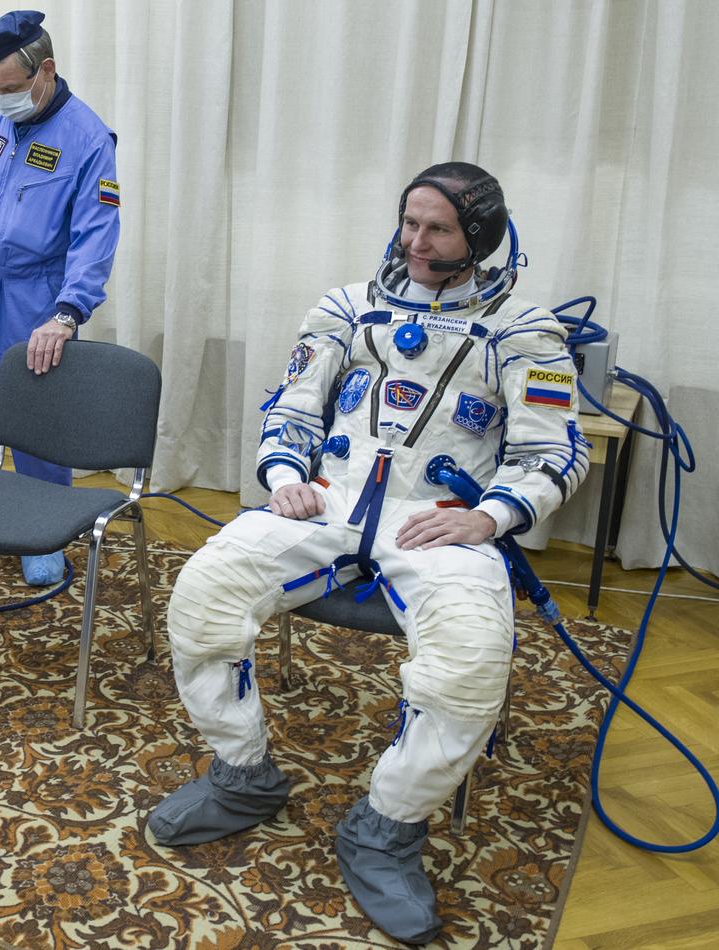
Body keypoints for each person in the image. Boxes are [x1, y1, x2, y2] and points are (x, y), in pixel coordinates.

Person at [148, 164, 589, 944]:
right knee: (204, 591)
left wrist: (488, 519)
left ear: (479, 237)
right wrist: (284, 478)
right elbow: (290, 408)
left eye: (439, 229)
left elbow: (553, 453)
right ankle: (243, 776)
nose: (416, 243)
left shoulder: (527, 332)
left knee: (467, 668)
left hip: (440, 521)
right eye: (409, 223)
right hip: (328, 500)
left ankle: (386, 829)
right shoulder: (347, 309)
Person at [0, 9, 120, 586]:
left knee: (38, 420)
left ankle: (43, 533)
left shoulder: (88, 138)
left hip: (39, 295)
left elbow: (95, 235)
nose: (0, 99)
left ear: (46, 70)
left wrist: (67, 313)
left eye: (10, 88)